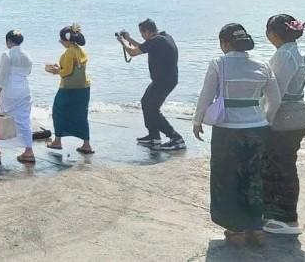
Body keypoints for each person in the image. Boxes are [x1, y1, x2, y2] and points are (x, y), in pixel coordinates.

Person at [192, 23, 281, 245]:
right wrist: (266, 119)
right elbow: (275, 99)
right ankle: (256, 227)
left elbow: (206, 95)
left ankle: (236, 229)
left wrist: (197, 120)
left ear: (225, 43)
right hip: (258, 128)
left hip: (227, 130)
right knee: (255, 178)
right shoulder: (262, 64)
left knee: (227, 179)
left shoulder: (218, 64)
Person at [262, 14, 305, 235]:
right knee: (285, 166)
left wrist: (265, 120)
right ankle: (279, 214)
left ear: (273, 33)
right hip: (299, 116)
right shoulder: (298, 52)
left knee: (279, 169)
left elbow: (275, 94)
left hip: (286, 119)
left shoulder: (284, 55)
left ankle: (285, 218)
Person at [117, 19, 185, 151]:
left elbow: (133, 52)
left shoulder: (156, 41)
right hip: (163, 80)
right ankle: (154, 137)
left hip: (164, 82)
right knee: (145, 103)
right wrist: (128, 39)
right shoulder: (163, 37)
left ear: (147, 32)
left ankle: (176, 138)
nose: (142, 36)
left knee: (152, 110)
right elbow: (143, 46)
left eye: (142, 33)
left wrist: (122, 41)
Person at [0, 30, 37, 164]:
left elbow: (3, 76)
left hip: (10, 90)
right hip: (24, 89)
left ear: (8, 41)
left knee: (2, 116)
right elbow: (28, 72)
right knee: (24, 120)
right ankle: (28, 150)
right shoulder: (27, 55)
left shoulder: (7, 54)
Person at [46, 24, 93, 154]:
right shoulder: (80, 50)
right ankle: (86, 144)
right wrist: (60, 69)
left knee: (58, 111)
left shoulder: (69, 52)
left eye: (61, 40)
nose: (61, 42)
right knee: (81, 115)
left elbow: (67, 72)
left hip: (69, 88)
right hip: (84, 87)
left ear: (67, 40)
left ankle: (57, 141)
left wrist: (55, 70)